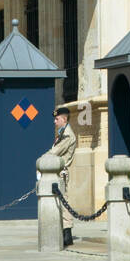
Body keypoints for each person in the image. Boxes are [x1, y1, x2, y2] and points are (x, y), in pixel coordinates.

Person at [45, 106, 77, 247]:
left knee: (64, 202)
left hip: (61, 172)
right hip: (56, 172)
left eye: (57, 119)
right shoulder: (62, 132)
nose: (54, 121)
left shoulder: (68, 135)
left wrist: (42, 159)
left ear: (64, 119)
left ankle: (67, 234)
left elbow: (55, 152)